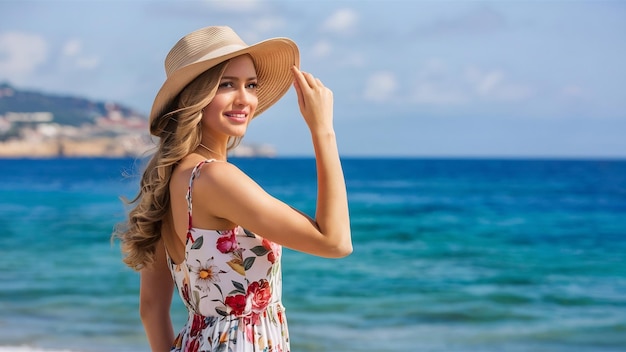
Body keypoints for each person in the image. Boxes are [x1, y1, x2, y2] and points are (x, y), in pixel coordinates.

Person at [114, 26, 352, 351]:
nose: (245, 98)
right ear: (195, 96)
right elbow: (335, 242)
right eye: (226, 84)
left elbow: (151, 308)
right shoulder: (216, 178)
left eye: (251, 85)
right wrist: (323, 130)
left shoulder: (169, 178)